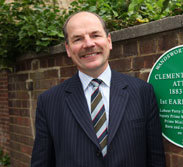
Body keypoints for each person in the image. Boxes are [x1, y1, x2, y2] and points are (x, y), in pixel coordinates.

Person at [31, 11, 165, 167]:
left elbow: (156, 159)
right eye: (78, 39)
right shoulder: (48, 102)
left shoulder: (142, 92)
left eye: (95, 35)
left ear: (109, 41)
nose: (88, 44)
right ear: (68, 49)